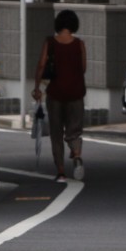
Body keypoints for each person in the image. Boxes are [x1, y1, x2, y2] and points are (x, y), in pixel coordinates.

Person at [33, 9, 88, 183]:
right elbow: (83, 68)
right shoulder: (79, 44)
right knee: (74, 130)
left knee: (56, 133)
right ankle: (77, 154)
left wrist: (36, 87)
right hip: (76, 92)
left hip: (56, 93)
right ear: (73, 24)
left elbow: (42, 65)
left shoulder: (50, 42)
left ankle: (61, 172)